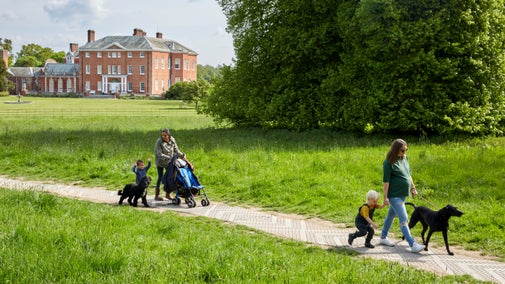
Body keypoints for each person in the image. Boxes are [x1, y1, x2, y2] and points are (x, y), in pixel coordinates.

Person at [379, 138, 426, 253]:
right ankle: (412, 244)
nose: (404, 153)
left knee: (390, 215)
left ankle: (383, 237)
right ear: (395, 150)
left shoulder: (404, 159)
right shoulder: (388, 163)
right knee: (404, 218)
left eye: (406, 150)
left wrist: (413, 188)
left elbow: (408, 175)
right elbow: (386, 181)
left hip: (403, 194)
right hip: (394, 196)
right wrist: (385, 198)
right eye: (402, 151)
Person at [154, 128, 185, 201]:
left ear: (168, 135)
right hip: (160, 162)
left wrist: (182, 155)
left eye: (165, 135)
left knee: (170, 177)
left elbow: (176, 150)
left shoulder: (172, 140)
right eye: (162, 135)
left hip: (169, 162)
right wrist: (169, 157)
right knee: (160, 177)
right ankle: (156, 195)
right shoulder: (159, 142)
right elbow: (159, 154)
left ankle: (167, 194)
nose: (164, 137)